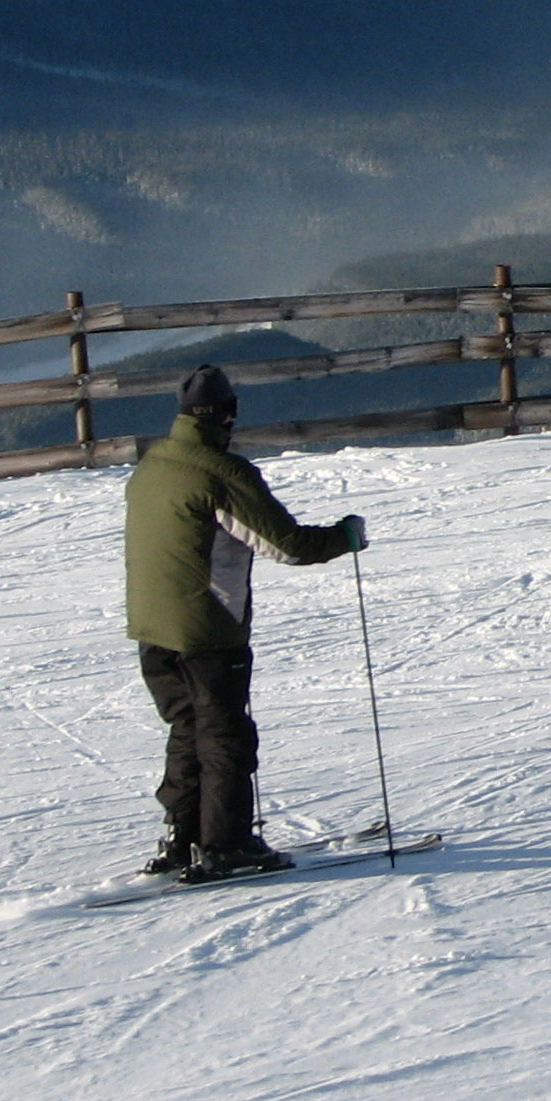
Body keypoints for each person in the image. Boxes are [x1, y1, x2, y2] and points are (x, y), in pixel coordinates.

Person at [123, 364, 366, 883]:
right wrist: (345, 537)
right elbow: (287, 545)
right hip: (207, 628)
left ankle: (182, 836)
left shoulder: (152, 464)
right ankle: (227, 845)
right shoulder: (224, 473)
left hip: (150, 625)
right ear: (229, 416)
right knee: (224, 735)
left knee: (186, 728)